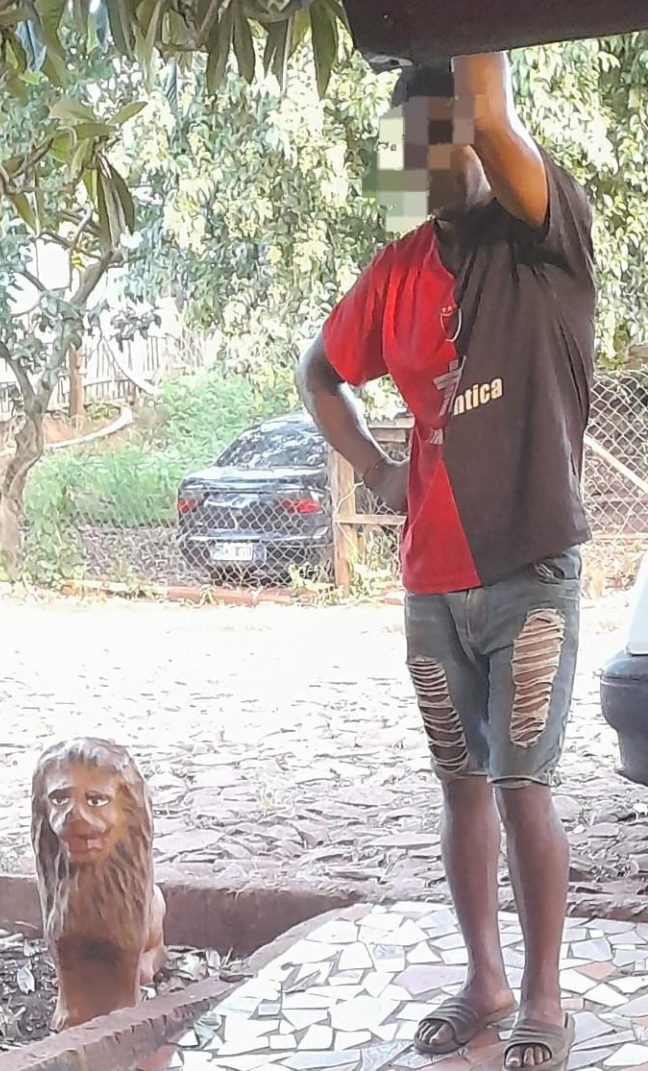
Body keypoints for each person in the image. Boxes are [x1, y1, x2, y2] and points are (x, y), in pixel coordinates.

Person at [296, 53, 594, 1071]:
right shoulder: (398, 270)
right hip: (431, 580)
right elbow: (318, 372)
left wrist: (473, 37)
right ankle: (487, 978)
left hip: (530, 568)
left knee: (523, 786)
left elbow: (501, 121)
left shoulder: (544, 236)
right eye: (410, 153)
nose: (425, 168)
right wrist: (378, 469)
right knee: (461, 786)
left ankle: (544, 998)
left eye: (441, 139)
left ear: (469, 132)